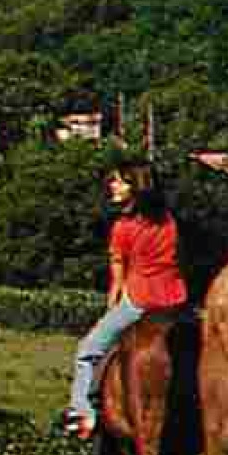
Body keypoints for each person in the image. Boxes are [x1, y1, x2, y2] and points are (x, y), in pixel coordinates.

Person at [60, 159, 187, 440]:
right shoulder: (170, 221)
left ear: (136, 187)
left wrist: (112, 310)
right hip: (175, 299)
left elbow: (118, 279)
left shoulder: (122, 228)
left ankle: (82, 412)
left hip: (139, 300)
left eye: (120, 181)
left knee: (88, 350)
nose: (112, 186)